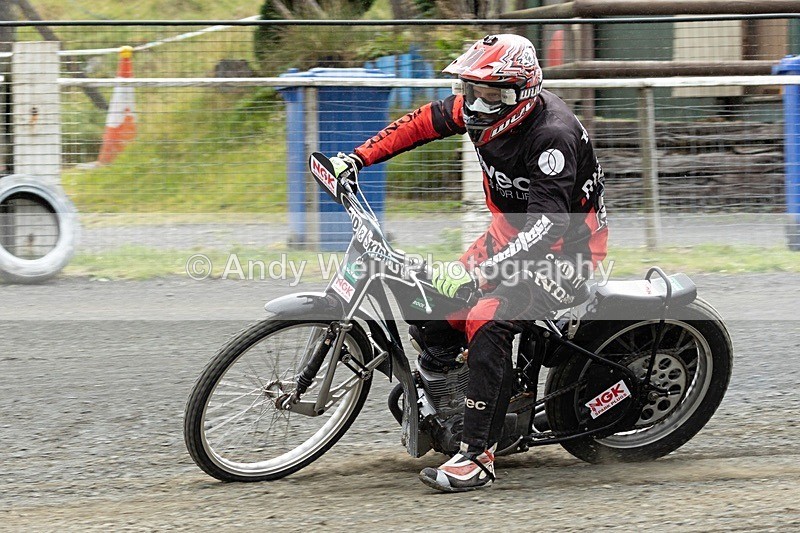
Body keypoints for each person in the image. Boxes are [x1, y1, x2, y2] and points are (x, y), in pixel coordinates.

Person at [329, 34, 608, 492]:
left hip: (565, 255)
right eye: (470, 89)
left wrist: (481, 273)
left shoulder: (551, 136)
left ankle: (478, 456)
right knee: (432, 299)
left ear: (521, 94)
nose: (474, 103)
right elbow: (421, 122)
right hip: (506, 237)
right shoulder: (481, 108)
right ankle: (458, 391)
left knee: (486, 317)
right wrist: (356, 158)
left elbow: (547, 229)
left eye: (489, 93)